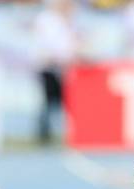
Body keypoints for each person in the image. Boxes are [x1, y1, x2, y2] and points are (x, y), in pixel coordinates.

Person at [33, 0, 79, 143]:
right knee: (49, 100)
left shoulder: (65, 19)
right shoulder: (47, 19)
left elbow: (69, 43)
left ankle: (63, 132)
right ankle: (43, 133)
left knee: (62, 101)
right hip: (49, 66)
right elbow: (50, 44)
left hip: (63, 67)